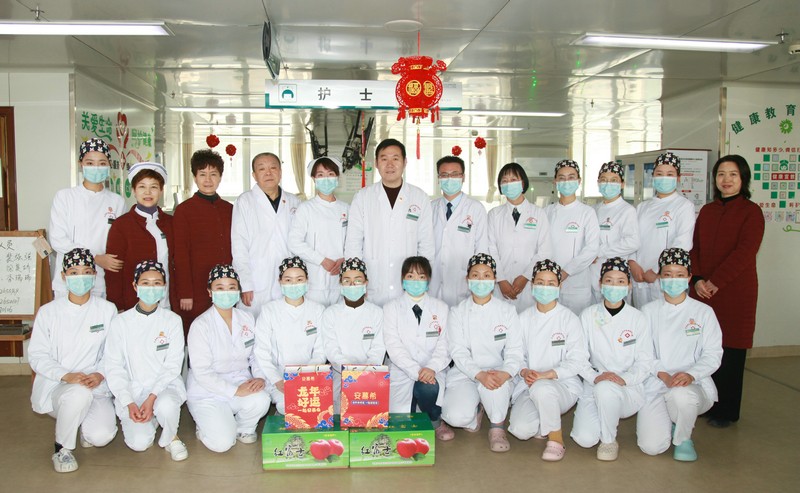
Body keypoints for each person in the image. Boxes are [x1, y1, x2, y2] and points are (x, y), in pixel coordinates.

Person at [690, 155, 765, 428]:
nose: (726, 179)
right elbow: (695, 248)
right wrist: (698, 278)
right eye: (721, 174)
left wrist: (716, 281)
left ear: (743, 178)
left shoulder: (751, 212)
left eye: (733, 174)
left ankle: (727, 410)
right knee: (704, 347)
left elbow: (745, 252)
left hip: (735, 291)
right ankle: (707, 402)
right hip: (703, 290)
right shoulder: (707, 211)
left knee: (731, 350)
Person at [28, 248, 119, 473]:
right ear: (63, 276)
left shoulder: (107, 310)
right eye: (74, 272)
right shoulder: (48, 312)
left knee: (101, 436)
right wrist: (66, 375)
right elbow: (37, 355)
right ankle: (62, 448)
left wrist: (99, 374)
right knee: (78, 394)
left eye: (87, 271)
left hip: (95, 384)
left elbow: (114, 352)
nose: (81, 277)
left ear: (95, 275)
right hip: (58, 386)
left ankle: (82, 426)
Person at [640, 248, 723, 461]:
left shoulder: (703, 312)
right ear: (660, 278)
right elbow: (643, 353)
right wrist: (664, 375)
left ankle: (683, 437)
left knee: (680, 395)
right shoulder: (648, 311)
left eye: (679, 275)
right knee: (651, 447)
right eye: (667, 274)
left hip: (693, 384)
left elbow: (713, 353)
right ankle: (673, 420)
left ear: (688, 277)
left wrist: (691, 375)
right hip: (657, 381)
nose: (673, 280)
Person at [571, 257, 656, 461]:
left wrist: (624, 378)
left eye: (620, 281)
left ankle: (609, 441)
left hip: (628, 387)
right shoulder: (588, 315)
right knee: (584, 439)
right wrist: (594, 377)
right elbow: (578, 356)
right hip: (595, 382)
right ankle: (604, 417)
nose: (614, 286)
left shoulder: (638, 318)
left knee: (607, 389)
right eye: (609, 280)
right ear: (600, 284)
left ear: (629, 285)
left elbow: (645, 361)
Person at [104, 261, 188, 461]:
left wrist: (152, 398)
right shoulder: (120, 322)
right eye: (145, 283)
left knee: (166, 405)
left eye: (157, 283)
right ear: (135, 286)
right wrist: (129, 402)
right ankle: (154, 419)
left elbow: (173, 365)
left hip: (164, 388)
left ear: (164, 286)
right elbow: (114, 366)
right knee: (139, 444)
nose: (151, 288)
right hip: (133, 391)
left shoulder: (172, 320)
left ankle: (172, 437)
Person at [441, 253, 523, 453]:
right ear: (467, 279)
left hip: (497, 371)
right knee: (455, 417)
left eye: (487, 275)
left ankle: (496, 428)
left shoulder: (507, 311)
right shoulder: (457, 312)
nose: (481, 280)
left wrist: (505, 373)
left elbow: (515, 350)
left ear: (494, 279)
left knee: (495, 390)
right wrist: (479, 374)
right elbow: (458, 351)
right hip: (466, 373)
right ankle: (477, 410)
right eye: (475, 275)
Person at [508, 259, 589, 461]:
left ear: (559, 286)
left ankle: (556, 439)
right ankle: (545, 418)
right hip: (529, 384)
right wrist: (524, 371)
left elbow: (578, 359)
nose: (545, 287)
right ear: (532, 285)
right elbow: (515, 354)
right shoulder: (523, 319)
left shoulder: (569, 319)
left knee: (543, 388)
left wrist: (548, 374)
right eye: (540, 282)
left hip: (563, 385)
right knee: (520, 430)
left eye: (551, 283)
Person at [187, 264, 270, 453]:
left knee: (262, 399)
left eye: (232, 287)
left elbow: (255, 355)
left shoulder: (247, 319)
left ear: (239, 291)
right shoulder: (201, 325)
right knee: (222, 444)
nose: (226, 292)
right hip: (207, 391)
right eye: (220, 287)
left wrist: (259, 377)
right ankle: (206, 426)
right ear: (210, 292)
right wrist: (235, 390)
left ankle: (243, 428)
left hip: (239, 380)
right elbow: (202, 372)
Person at [344, 138, 434, 306]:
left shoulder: (419, 197)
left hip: (409, 284)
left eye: (395, 158)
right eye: (384, 159)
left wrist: (421, 281)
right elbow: (353, 242)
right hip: (372, 280)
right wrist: (356, 280)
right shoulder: (363, 197)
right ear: (376, 163)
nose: (390, 164)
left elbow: (426, 243)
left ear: (405, 162)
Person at [383, 256, 454, 440]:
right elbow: (393, 345)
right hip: (401, 369)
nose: (416, 281)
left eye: (421, 277)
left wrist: (431, 368)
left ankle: (435, 420)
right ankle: (416, 408)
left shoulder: (441, 308)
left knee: (428, 389)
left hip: (434, 370)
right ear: (402, 280)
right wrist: (417, 371)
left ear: (428, 280)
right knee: (399, 421)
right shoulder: (391, 308)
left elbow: (445, 343)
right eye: (410, 276)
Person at [48, 138, 125, 298]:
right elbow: (58, 240)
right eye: (90, 163)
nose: (96, 167)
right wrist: (95, 257)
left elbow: (119, 242)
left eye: (102, 163)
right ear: (80, 164)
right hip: (69, 278)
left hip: (101, 279)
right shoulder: (65, 197)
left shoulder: (117, 201)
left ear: (109, 165)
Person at [231, 152, 300, 318]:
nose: (268, 173)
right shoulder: (245, 201)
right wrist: (245, 283)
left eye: (273, 168)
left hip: (289, 279)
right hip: (256, 279)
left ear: (280, 172)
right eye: (262, 169)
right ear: (254, 175)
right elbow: (239, 245)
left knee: (285, 324)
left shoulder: (294, 202)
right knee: (254, 325)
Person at [254, 257, 326, 414]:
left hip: (310, 374)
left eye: (299, 279)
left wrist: (305, 375)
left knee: (319, 408)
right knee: (291, 407)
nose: (294, 284)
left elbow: (320, 351)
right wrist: (277, 380)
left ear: (307, 280)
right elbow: (261, 351)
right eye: (288, 280)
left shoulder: (317, 310)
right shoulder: (269, 311)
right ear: (280, 281)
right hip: (278, 376)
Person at [173, 149, 233, 334]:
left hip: (226, 287)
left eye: (213, 174)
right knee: (198, 333)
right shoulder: (184, 210)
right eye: (202, 174)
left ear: (220, 177)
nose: (208, 180)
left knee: (225, 332)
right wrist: (185, 293)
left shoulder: (230, 209)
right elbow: (180, 254)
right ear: (194, 177)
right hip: (197, 287)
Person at [105, 162, 175, 311]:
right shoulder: (121, 225)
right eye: (142, 187)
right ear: (134, 190)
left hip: (168, 302)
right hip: (133, 305)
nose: (148, 192)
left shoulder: (172, 223)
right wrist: (118, 305)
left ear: (161, 190)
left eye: (153, 187)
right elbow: (114, 271)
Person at [630, 152, 695, 307]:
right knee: (643, 317)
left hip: (666, 278)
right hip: (639, 277)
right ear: (653, 176)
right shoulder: (642, 207)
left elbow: (682, 244)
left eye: (670, 174)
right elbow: (632, 237)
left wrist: (657, 270)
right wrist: (632, 263)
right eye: (659, 174)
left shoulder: (684, 206)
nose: (664, 178)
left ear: (678, 178)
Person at [321, 257, 386, 412]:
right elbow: (331, 349)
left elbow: (378, 348)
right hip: (340, 373)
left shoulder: (377, 313)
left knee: (371, 411)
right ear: (340, 284)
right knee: (337, 411)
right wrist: (349, 370)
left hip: (371, 372)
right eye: (347, 280)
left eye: (357, 280)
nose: (352, 285)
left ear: (366, 282)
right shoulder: (330, 313)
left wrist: (366, 371)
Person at [487, 163, 552, 313]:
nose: (509, 184)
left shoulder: (538, 214)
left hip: (529, 285)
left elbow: (545, 251)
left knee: (527, 322)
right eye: (504, 181)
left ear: (523, 183)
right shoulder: (494, 215)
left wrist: (525, 277)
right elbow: (491, 249)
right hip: (500, 286)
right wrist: (501, 279)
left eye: (513, 179)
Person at [288, 156, 349, 306]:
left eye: (330, 174)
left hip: (340, 277)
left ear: (337, 177)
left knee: (337, 316)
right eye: (320, 175)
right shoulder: (306, 208)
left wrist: (345, 259)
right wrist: (321, 260)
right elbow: (294, 242)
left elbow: (353, 241)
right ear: (314, 179)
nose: (326, 179)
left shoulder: (346, 209)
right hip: (314, 280)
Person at [430, 155, 488, 306]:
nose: (449, 179)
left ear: (463, 177)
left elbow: (482, 249)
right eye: (444, 175)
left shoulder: (476, 209)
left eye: (455, 174)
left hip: (464, 285)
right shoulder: (430, 208)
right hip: (433, 284)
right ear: (438, 178)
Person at [545, 159, 600, 314]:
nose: (566, 181)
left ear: (579, 181)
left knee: (576, 323)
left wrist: (566, 272)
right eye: (561, 178)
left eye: (571, 177)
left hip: (577, 284)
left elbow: (592, 248)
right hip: (549, 282)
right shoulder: (546, 212)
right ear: (555, 181)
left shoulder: (587, 212)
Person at [591, 162, 640, 303]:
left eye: (614, 180)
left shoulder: (627, 210)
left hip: (616, 276)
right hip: (593, 274)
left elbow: (632, 242)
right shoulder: (593, 209)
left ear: (622, 184)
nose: (608, 184)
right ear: (598, 183)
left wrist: (599, 252)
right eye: (604, 180)